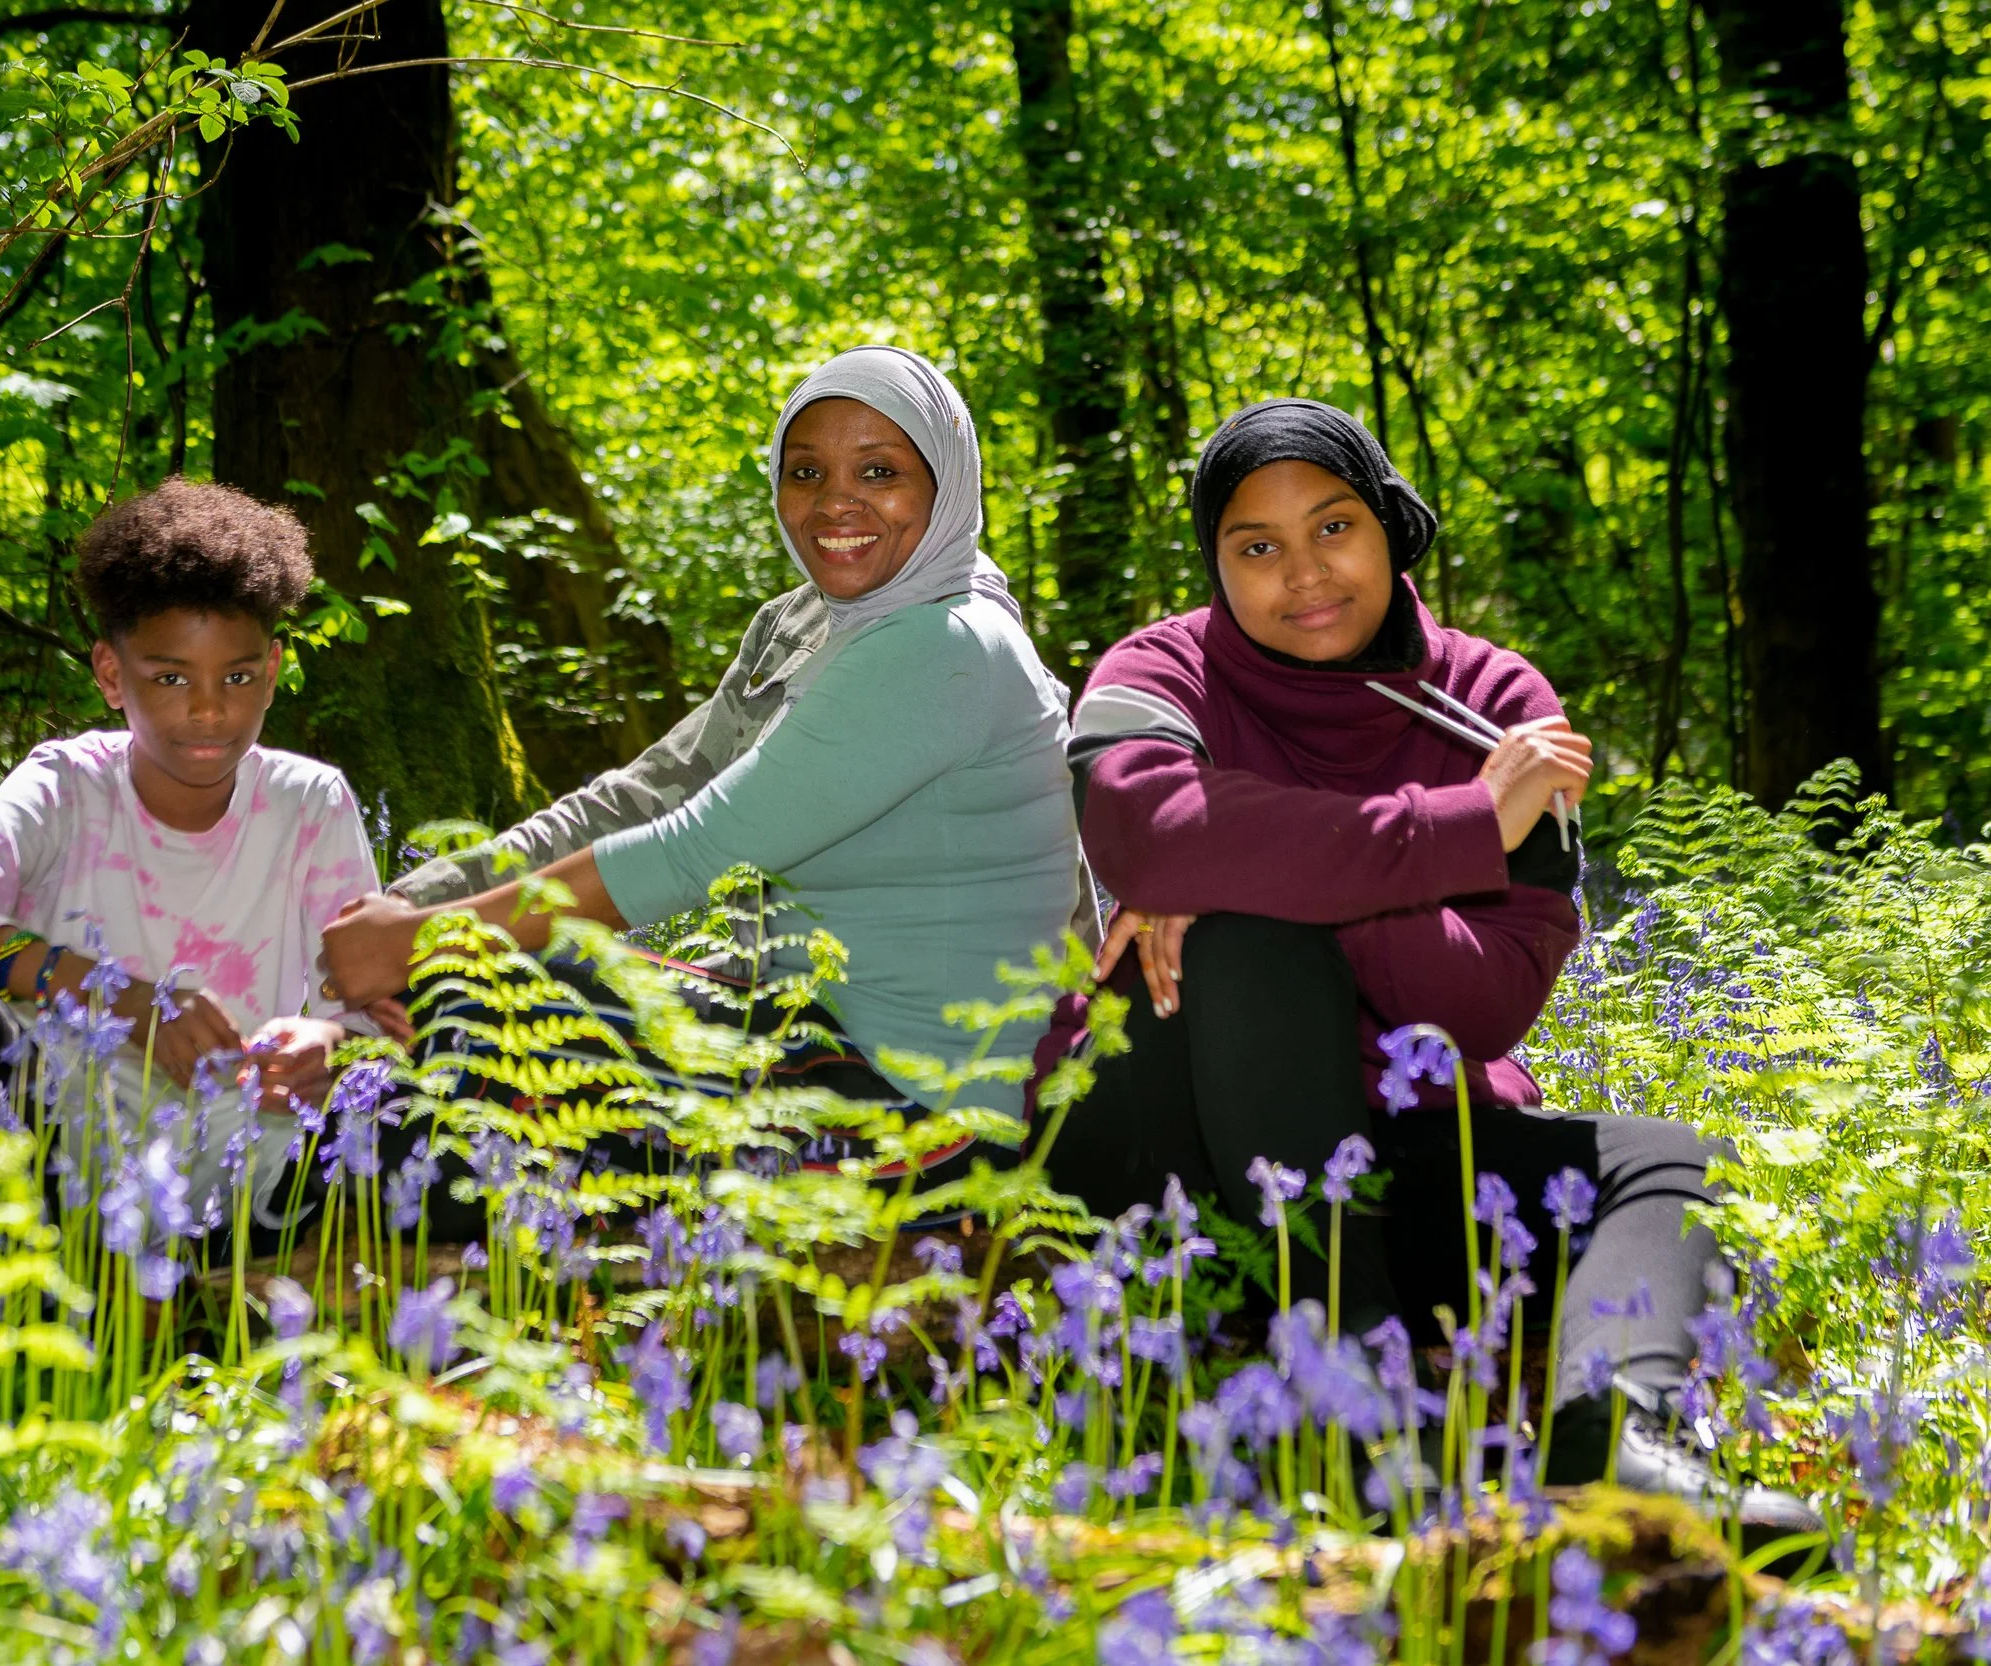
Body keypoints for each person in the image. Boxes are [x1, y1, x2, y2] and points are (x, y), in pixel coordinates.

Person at [1052, 398, 1816, 1532]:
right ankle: (1358, 1413)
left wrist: (1262, 860)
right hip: (1174, 1146)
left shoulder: (1501, 708)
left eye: (1334, 526)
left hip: (1405, 1145)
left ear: (1392, 528)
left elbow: (1487, 1002)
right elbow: (1141, 830)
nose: (1302, 573)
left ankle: (1614, 1445)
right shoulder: (1156, 671)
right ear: (1215, 563)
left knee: (1674, 1160)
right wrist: (1452, 827)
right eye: (1254, 547)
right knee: (1253, 942)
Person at [319, 346, 1089, 1203]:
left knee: (473, 1012)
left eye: (881, 471)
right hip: (812, 1044)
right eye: (806, 471)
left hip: (916, 1120)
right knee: (477, 992)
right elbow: (650, 794)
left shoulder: (941, 644)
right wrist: (423, 910)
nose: (837, 501)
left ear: (948, 482)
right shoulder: (816, 625)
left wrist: (423, 944)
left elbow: (694, 851)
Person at [0, 478, 396, 1229]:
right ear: (113, 675)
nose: (210, 708)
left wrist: (328, 1042)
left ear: (273, 672)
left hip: (247, 1159)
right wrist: (121, 998)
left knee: (423, 1102)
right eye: (171, 677)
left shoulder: (309, 803)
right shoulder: (66, 787)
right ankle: (54, 1260)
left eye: (238, 677)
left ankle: (213, 1268)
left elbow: (373, 1019)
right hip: (67, 1151)